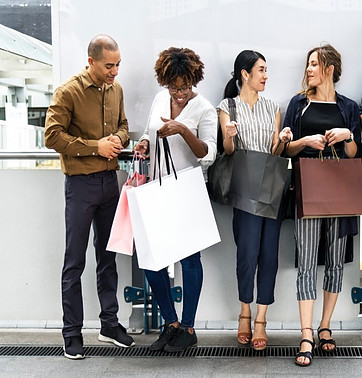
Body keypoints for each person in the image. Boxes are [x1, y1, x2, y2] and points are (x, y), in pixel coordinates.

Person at [45, 34, 135, 360]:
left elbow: (124, 125)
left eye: (118, 65)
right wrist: (95, 145)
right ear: (91, 61)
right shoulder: (68, 91)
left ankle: (109, 324)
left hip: (110, 184)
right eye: (109, 66)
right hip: (80, 186)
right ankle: (71, 334)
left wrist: (118, 138)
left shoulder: (117, 90)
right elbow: (52, 135)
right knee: (75, 262)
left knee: (108, 256)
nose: (115, 71)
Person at [134, 47, 217, 352]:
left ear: (193, 81)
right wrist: (144, 143)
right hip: (158, 189)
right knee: (152, 261)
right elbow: (147, 132)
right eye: (173, 87)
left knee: (188, 260)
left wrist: (182, 129)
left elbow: (208, 154)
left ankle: (189, 327)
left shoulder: (204, 109)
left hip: (188, 192)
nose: (179, 93)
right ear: (165, 82)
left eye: (184, 87)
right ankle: (171, 323)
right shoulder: (160, 98)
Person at [283, 44, 361, 367]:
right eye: (308, 64)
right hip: (308, 190)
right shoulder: (298, 104)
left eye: (315, 64)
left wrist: (347, 136)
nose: (309, 69)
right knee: (306, 261)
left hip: (340, 192)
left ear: (329, 69)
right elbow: (285, 150)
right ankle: (306, 333)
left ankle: (325, 325)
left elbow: (355, 154)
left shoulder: (349, 107)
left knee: (334, 262)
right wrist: (305, 142)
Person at [218, 50, 291, 351]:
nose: (265, 76)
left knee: (269, 254)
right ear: (244, 74)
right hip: (245, 188)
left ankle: (261, 317)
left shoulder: (272, 106)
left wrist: (284, 139)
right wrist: (230, 136)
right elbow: (228, 150)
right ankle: (244, 311)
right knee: (247, 253)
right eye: (261, 70)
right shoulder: (227, 106)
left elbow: (274, 151)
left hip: (271, 187)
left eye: (266, 70)